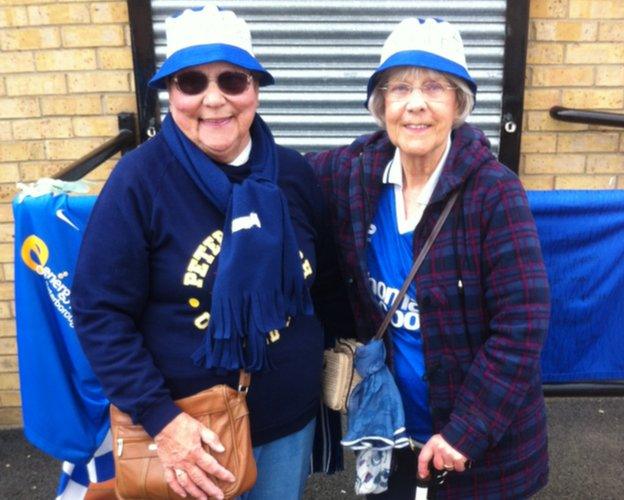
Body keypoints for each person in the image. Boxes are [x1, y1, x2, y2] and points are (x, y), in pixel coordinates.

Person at [71, 4, 348, 500]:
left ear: (255, 89)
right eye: (191, 82)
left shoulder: (292, 175)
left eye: (232, 80)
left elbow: (324, 285)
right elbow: (99, 312)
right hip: (188, 435)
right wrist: (161, 419)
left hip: (288, 425)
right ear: (170, 93)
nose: (214, 99)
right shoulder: (139, 182)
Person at [307, 18, 550, 498]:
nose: (415, 103)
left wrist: (467, 430)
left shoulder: (494, 192)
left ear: (458, 104)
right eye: (400, 88)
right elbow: (275, 173)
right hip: (393, 431)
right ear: (381, 107)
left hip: (478, 446)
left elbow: (522, 325)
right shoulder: (354, 173)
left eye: (434, 87)